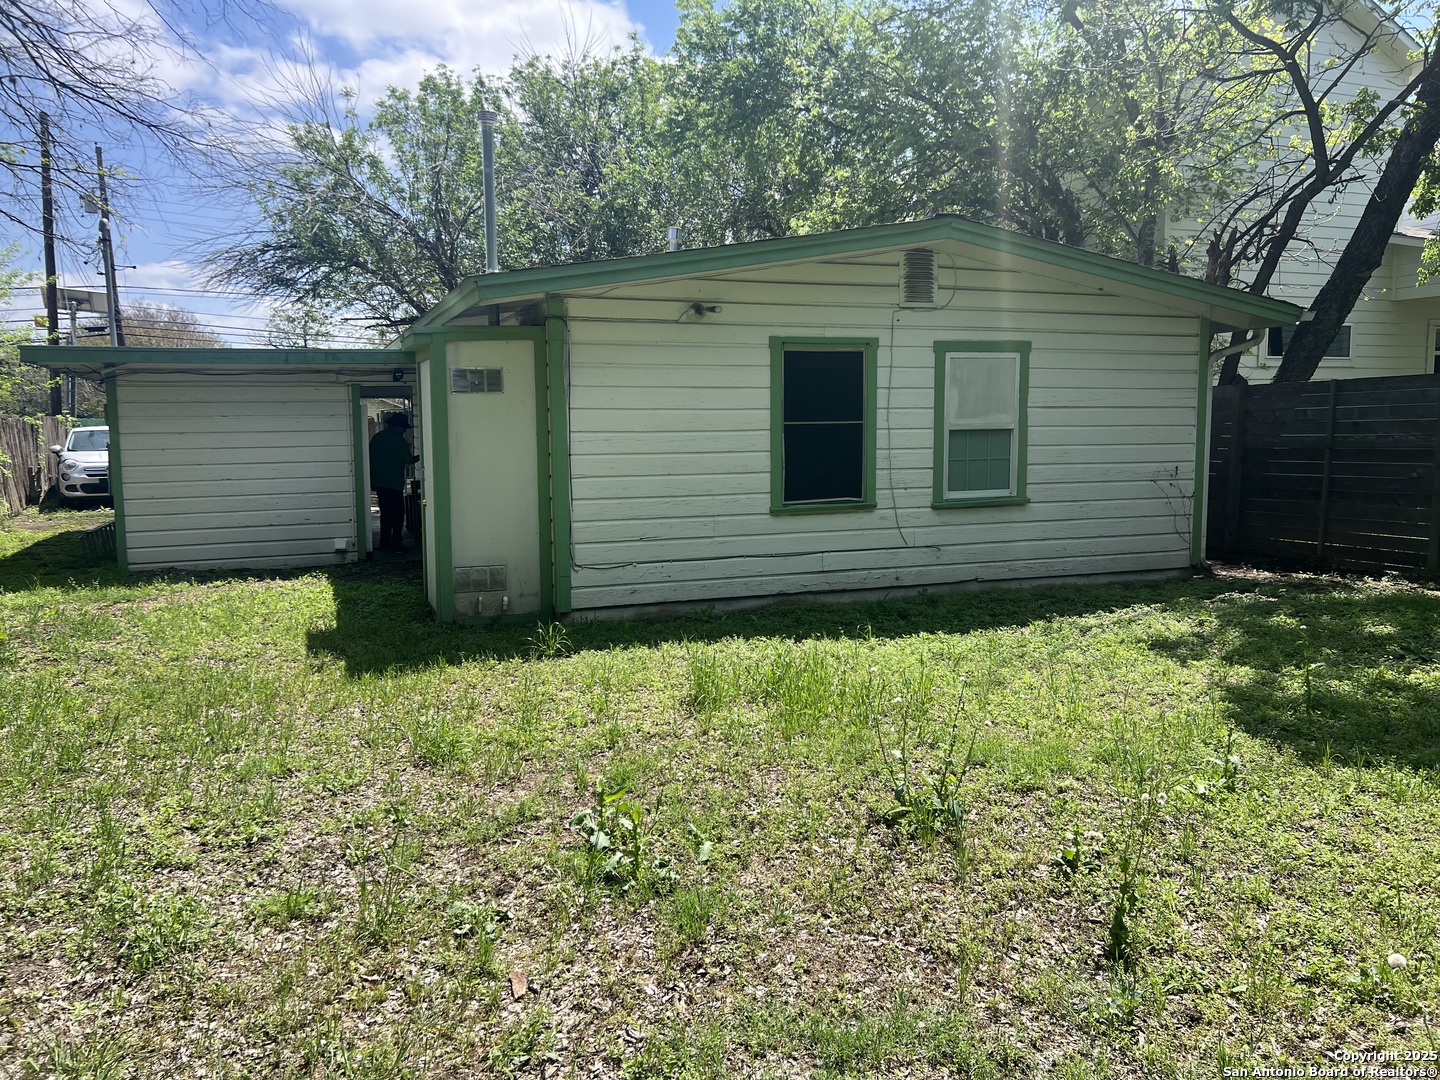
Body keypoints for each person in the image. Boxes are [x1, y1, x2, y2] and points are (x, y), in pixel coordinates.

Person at [369, 412, 418, 552]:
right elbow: (408, 460)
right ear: (398, 427)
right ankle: (396, 542)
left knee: (385, 514)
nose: (404, 431)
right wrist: (423, 455)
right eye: (404, 428)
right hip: (394, 483)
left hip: (379, 482)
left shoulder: (377, 438)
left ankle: (384, 542)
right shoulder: (398, 439)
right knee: (397, 514)